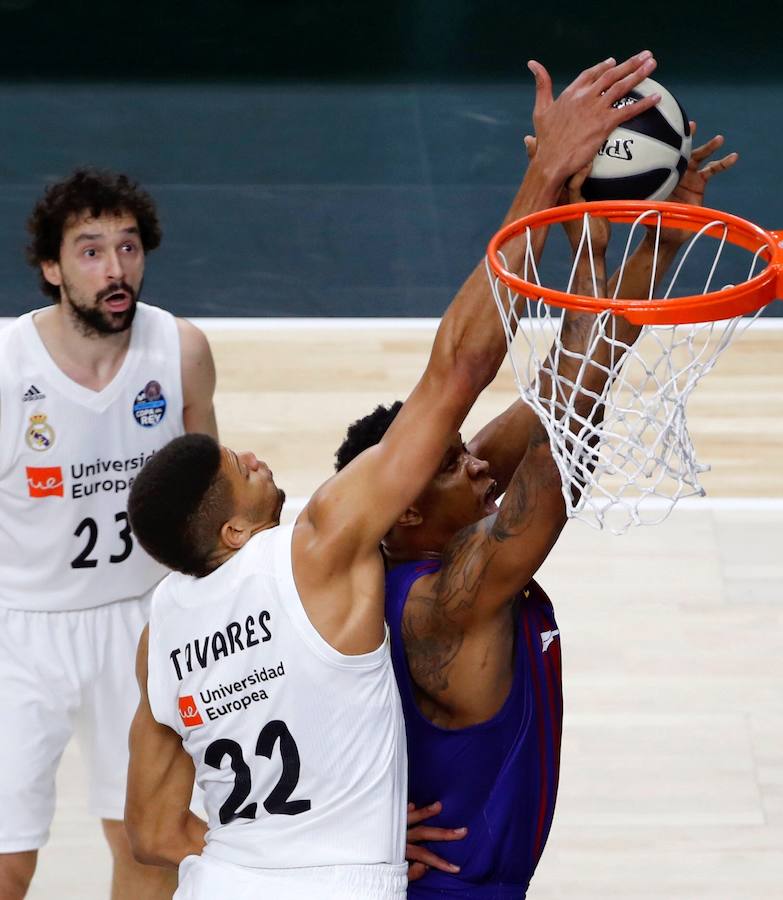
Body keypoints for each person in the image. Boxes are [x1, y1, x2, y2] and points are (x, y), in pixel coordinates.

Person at [122, 53, 662, 900]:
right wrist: (543, 175)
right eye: (239, 467)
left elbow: (153, 834)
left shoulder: (162, 628)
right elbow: (458, 370)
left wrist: (273, 848)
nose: (254, 455)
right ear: (232, 531)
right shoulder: (319, 551)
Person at [333, 125, 738, 897]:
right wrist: (581, 234)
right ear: (405, 515)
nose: (480, 460)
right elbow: (560, 451)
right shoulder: (442, 606)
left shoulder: (422, 532)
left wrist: (654, 221)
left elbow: (572, 376)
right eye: (454, 463)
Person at [0, 168, 217, 899]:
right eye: (91, 251)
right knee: (6, 860)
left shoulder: (179, 350)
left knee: (147, 843)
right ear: (51, 268)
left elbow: (209, 501)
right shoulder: (5, 369)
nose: (115, 268)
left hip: (145, 625)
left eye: (128, 247)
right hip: (20, 629)